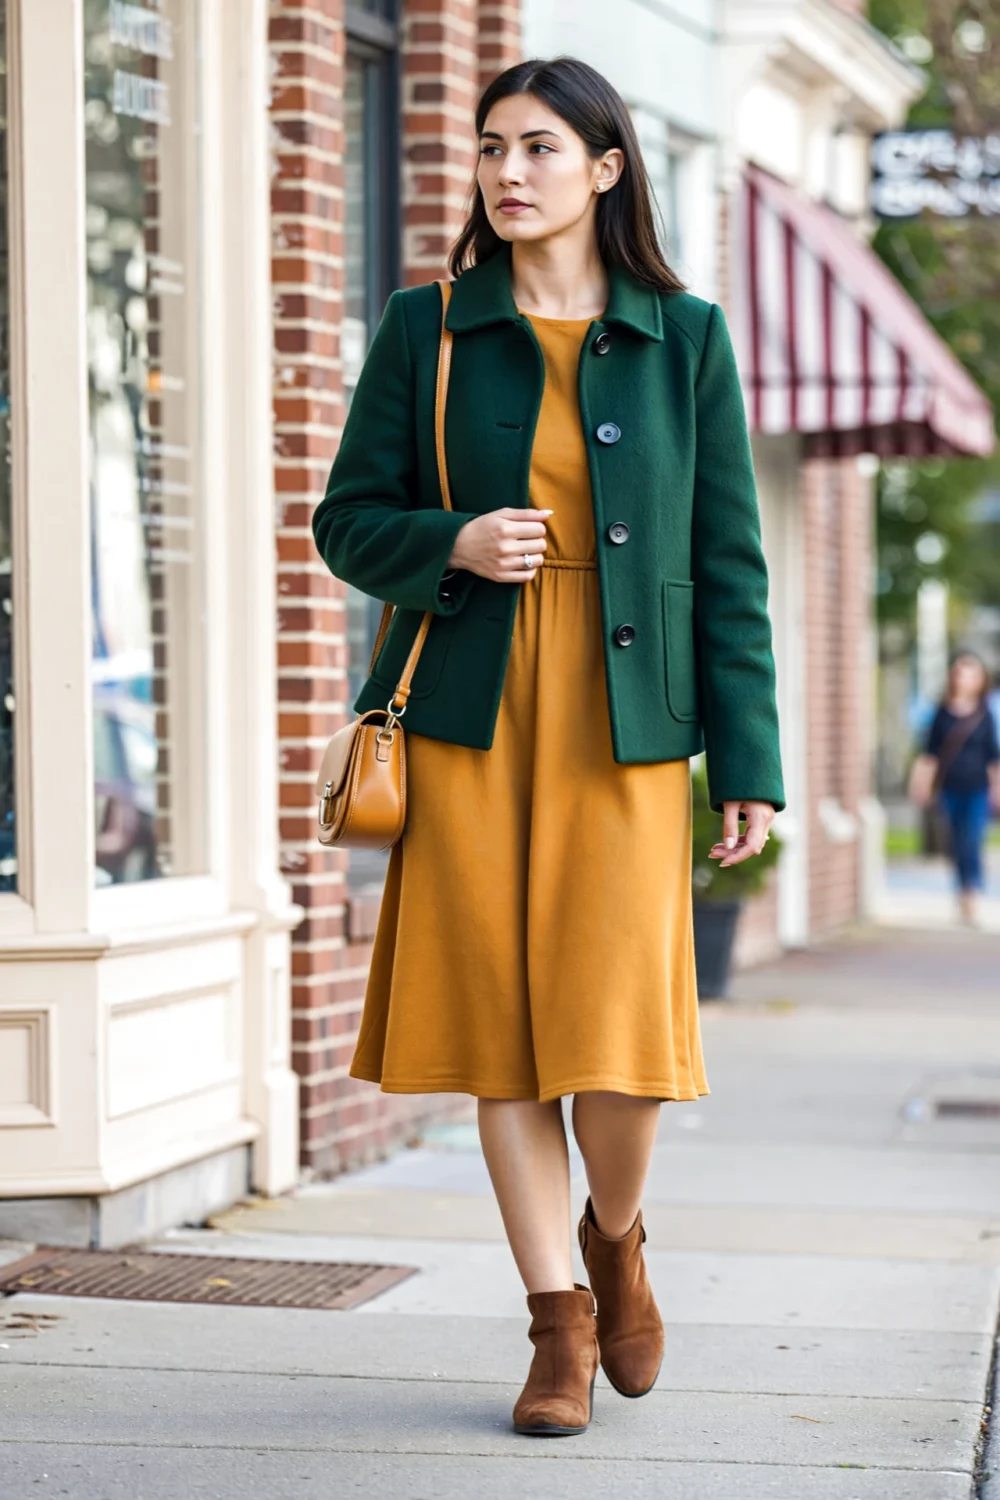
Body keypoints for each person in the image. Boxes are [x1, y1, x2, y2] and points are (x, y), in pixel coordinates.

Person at [313, 56, 783, 1436]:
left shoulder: (683, 336)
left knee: (622, 1044)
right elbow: (348, 521)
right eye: (487, 150)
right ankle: (557, 1326)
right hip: (470, 715)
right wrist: (445, 544)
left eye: (535, 148)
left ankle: (616, 1234)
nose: (506, 173)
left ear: (605, 167)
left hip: (625, 730)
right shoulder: (430, 328)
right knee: (502, 1041)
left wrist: (745, 757)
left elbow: (731, 565)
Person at [910, 652, 1000, 926]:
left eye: (972, 674)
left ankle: (970, 895)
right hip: (949, 788)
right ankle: (961, 890)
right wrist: (921, 783)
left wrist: (997, 788)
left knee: (972, 838)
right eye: (961, 673)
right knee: (957, 842)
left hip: (977, 788)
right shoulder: (942, 713)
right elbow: (931, 753)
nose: (966, 679)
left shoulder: (985, 714)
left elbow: (992, 756)